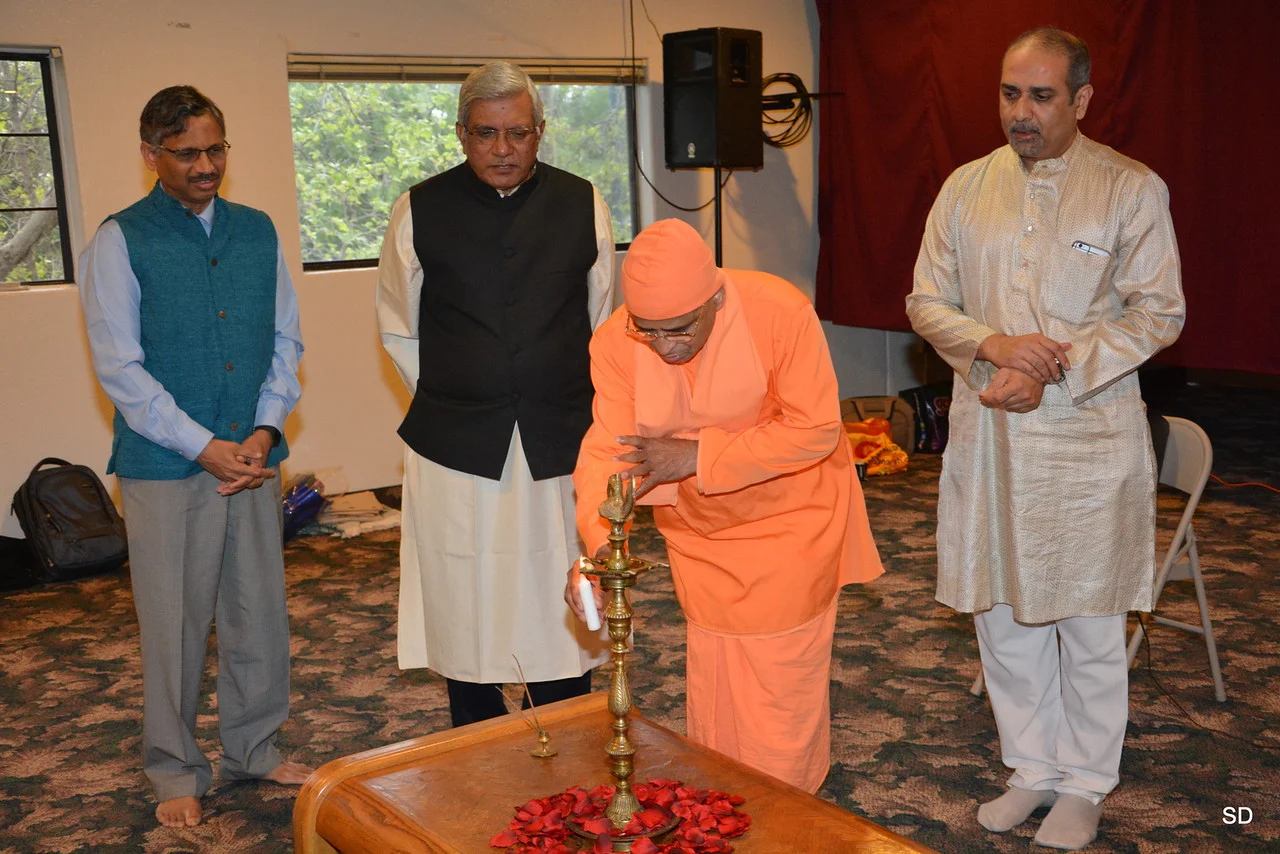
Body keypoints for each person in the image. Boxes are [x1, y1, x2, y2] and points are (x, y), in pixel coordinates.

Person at [906, 27, 1184, 850]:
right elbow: (927, 302)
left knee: (1088, 619)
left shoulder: (1130, 189)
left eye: (1041, 95)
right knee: (1001, 613)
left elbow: (1158, 312)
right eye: (1009, 94)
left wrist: (1051, 367)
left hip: (1087, 439)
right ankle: (1030, 767)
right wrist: (996, 346)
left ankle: (1087, 782)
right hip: (991, 432)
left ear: (1081, 100)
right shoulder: (965, 187)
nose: (1020, 112)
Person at [567, 218, 883, 793]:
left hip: (793, 517)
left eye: (679, 329)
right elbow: (609, 454)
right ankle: (725, 801)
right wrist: (596, 550)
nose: (665, 347)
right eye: (648, 331)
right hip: (700, 531)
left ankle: (785, 805)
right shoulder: (616, 341)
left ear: (716, 298)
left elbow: (815, 430)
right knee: (716, 677)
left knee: (777, 683)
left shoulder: (780, 311)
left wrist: (697, 456)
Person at [79, 85, 310, 828]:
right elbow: (121, 368)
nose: (205, 166)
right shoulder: (119, 241)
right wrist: (202, 445)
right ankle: (175, 768)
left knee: (258, 614)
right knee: (174, 625)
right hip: (166, 467)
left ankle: (256, 749)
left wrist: (266, 429)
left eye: (215, 150)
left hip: (252, 458)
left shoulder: (258, 230)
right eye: (186, 154)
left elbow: (285, 341)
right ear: (151, 155)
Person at [376, 61, 615, 728]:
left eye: (519, 133)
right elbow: (399, 326)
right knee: (466, 596)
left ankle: (565, 722)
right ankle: (475, 737)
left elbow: (600, 319)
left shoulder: (583, 203)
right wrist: (464, 393)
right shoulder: (417, 209)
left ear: (541, 131)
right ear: (461, 133)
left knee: (558, 587)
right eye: (486, 133)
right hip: (455, 442)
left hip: (558, 436)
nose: (503, 149)